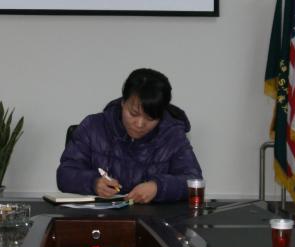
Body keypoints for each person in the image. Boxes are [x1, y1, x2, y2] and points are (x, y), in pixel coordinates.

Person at [56, 68, 202, 204]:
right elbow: (65, 174)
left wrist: (158, 187)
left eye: (150, 118)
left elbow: (194, 181)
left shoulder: (172, 134)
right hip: (100, 217)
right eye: (133, 114)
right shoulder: (93, 127)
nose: (139, 124)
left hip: (154, 219)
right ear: (123, 103)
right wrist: (93, 183)